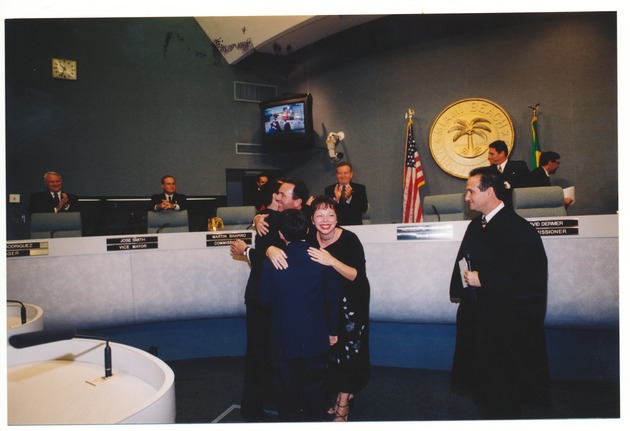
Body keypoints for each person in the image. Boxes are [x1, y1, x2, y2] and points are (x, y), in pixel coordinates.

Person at [449, 166, 550, 419]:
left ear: (490, 191)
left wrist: (483, 279)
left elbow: (528, 278)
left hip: (505, 325)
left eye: (471, 191)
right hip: (479, 318)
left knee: (504, 393)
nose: (467, 197)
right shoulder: (476, 225)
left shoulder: (519, 229)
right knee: (483, 390)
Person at [230, 178, 309, 421]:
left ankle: (270, 400)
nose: (278, 198)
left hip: (281, 299)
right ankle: (253, 408)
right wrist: (258, 242)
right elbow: (266, 262)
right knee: (259, 352)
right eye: (277, 194)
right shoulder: (269, 220)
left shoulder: (302, 220)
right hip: (263, 297)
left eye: (282, 195)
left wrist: (251, 248)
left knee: (273, 352)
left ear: (297, 202)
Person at [258, 209, 340, 422]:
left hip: (284, 339)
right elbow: (333, 299)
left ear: (281, 235)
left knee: (286, 392)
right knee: (316, 390)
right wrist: (333, 331)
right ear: (307, 229)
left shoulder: (272, 262)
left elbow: (264, 300)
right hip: (316, 336)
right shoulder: (322, 258)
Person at [307, 196, 371, 422]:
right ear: (312, 220)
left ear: (337, 218)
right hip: (324, 304)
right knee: (331, 353)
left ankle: (343, 405)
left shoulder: (350, 239)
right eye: (319, 215)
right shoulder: (308, 238)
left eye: (330, 215)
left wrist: (331, 260)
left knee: (348, 352)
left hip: (351, 302)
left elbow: (356, 275)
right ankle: (341, 392)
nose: (325, 220)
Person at [486, 140, 529, 208]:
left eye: (492, 154)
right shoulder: (488, 171)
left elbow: (526, 184)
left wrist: (507, 185)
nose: (488, 157)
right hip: (495, 208)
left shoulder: (519, 166)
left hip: (516, 207)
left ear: (502, 153)